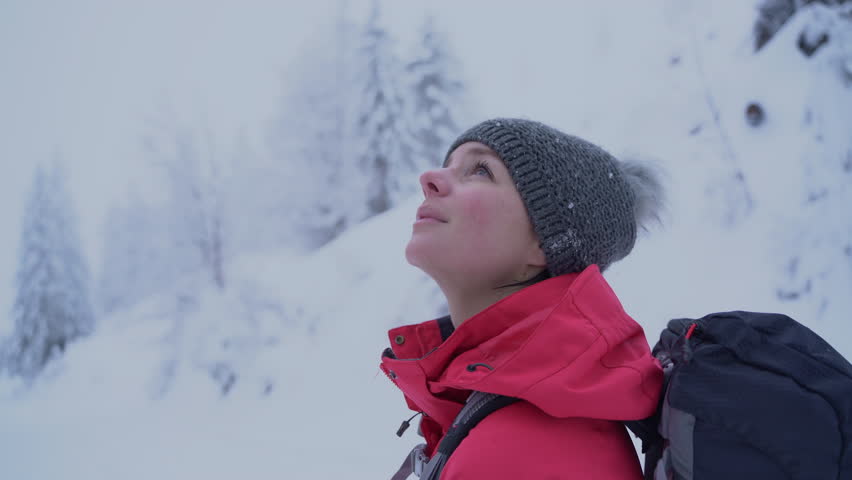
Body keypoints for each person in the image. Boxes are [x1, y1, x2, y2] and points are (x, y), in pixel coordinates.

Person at [380, 118, 665, 479]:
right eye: (448, 165)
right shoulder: (512, 417)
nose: (429, 179)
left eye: (480, 170)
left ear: (545, 242)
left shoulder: (518, 454)